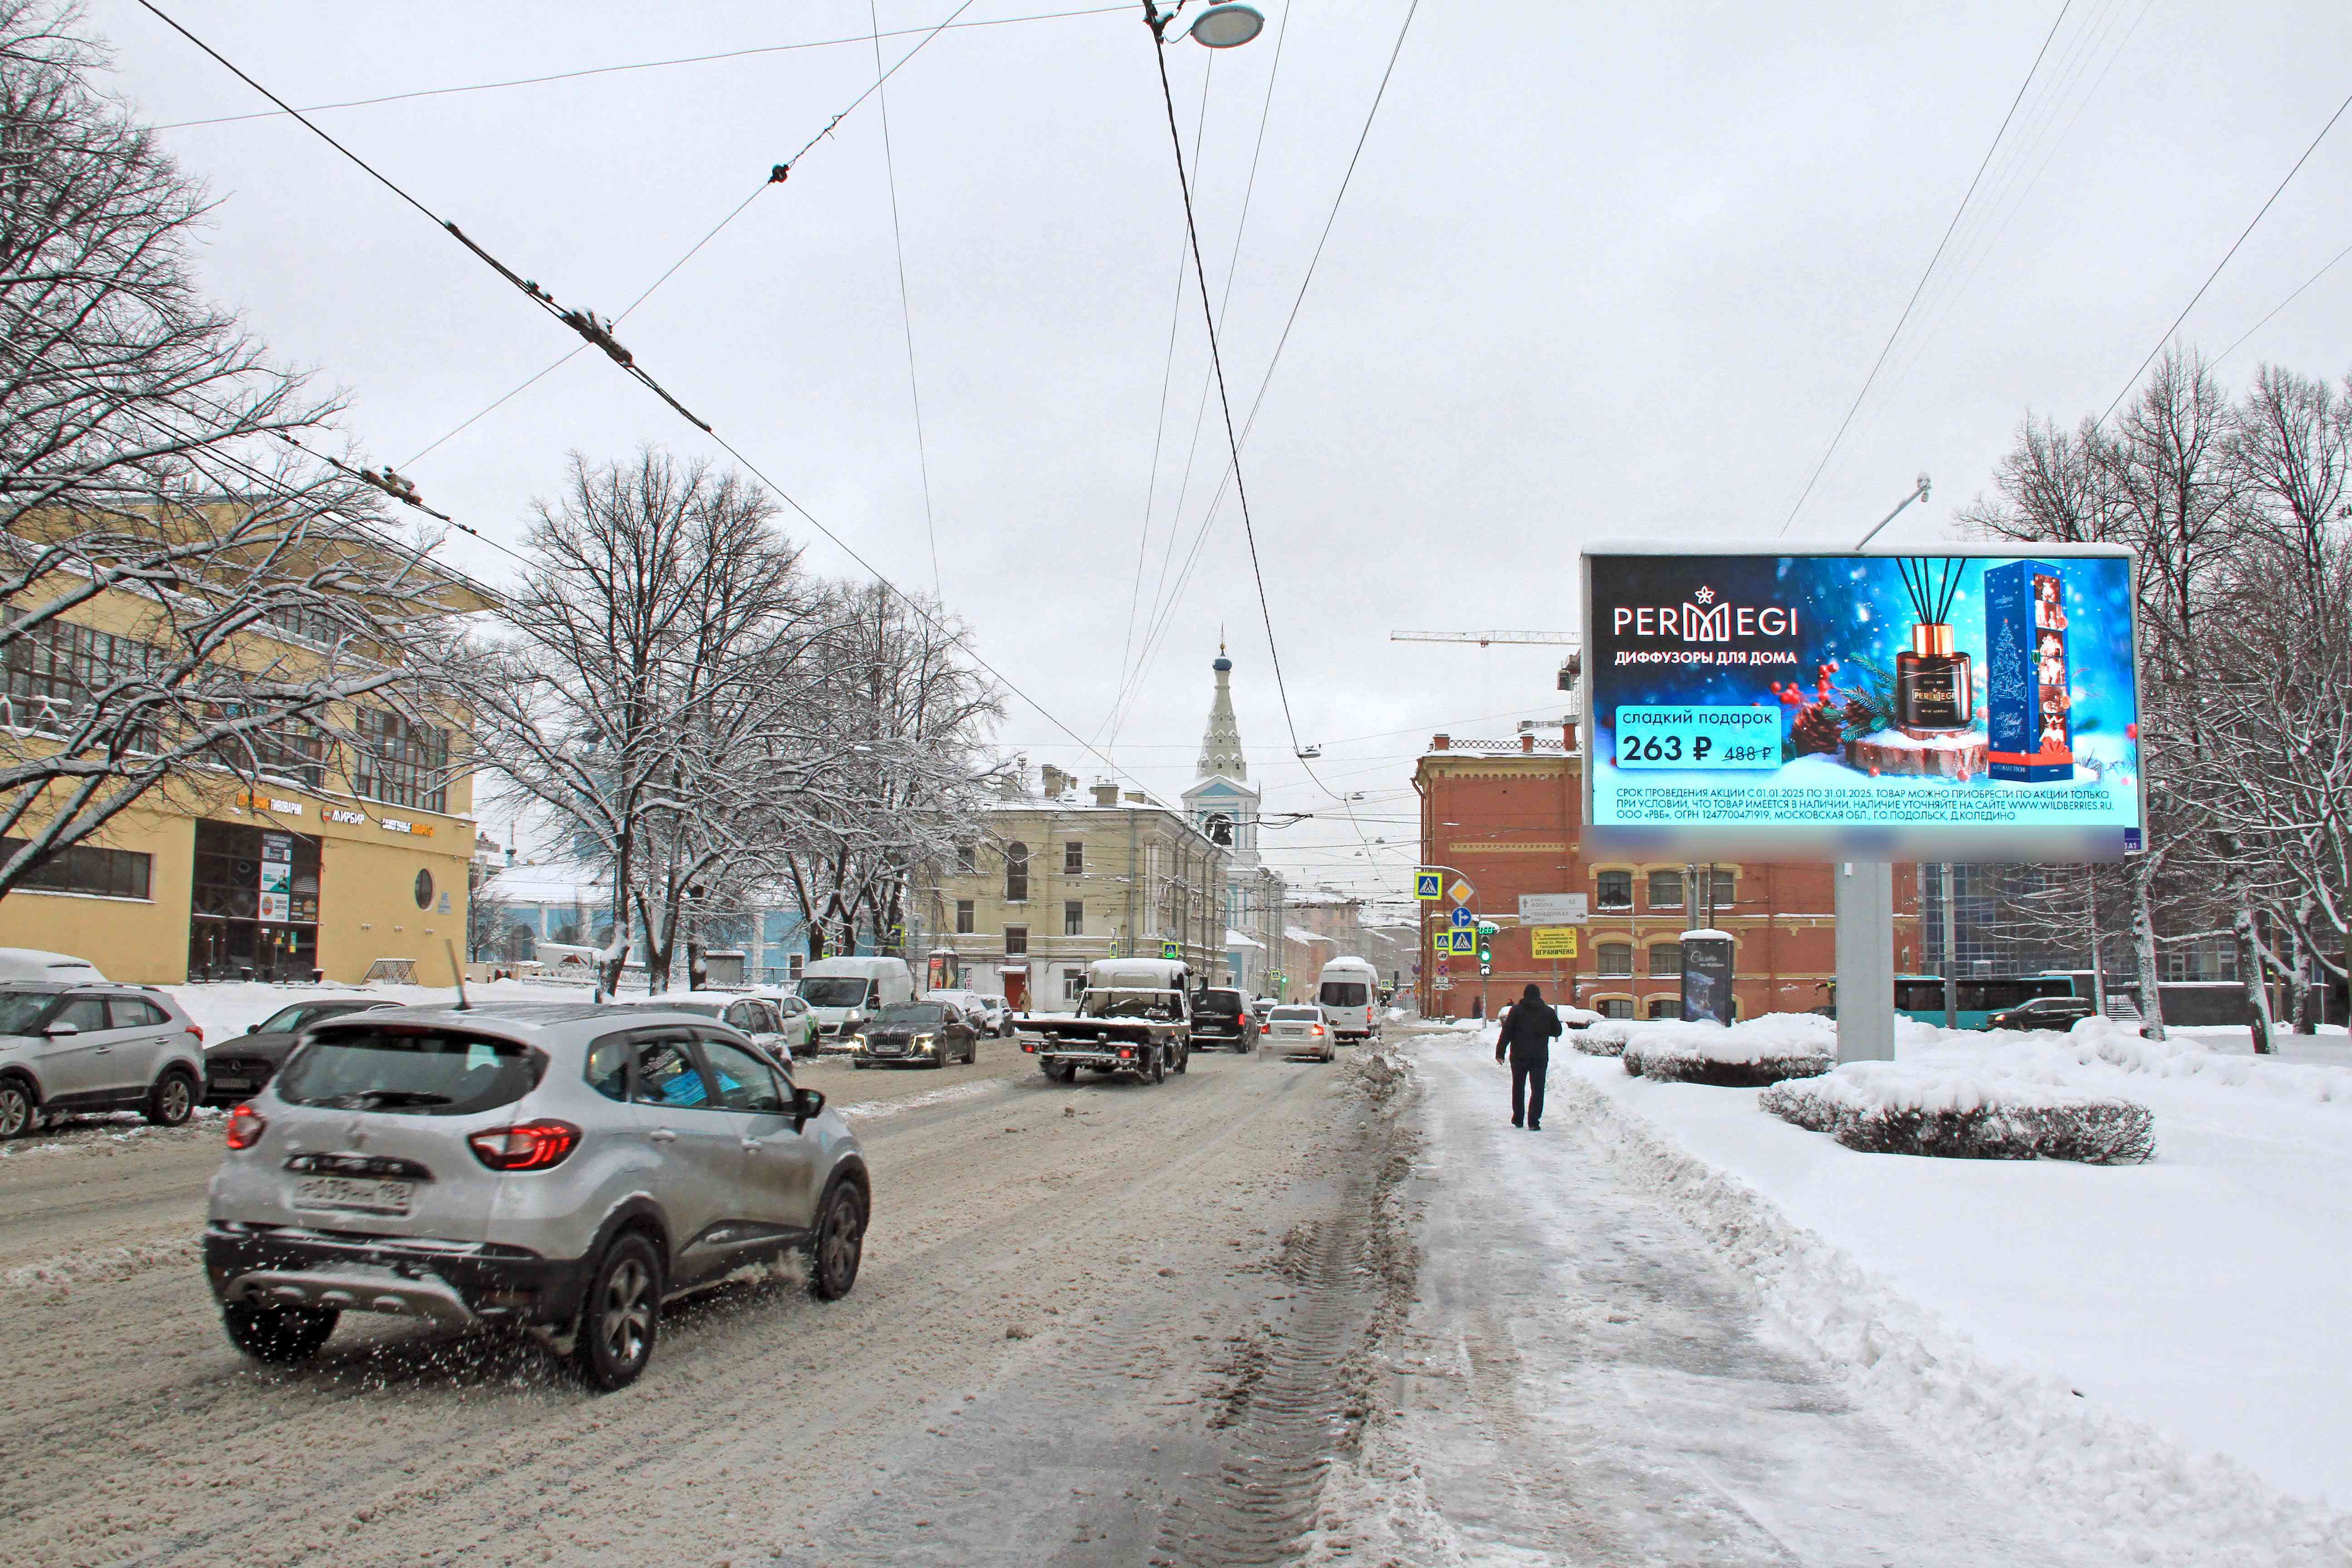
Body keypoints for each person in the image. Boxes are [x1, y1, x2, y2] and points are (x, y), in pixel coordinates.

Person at [1494, 982, 1562, 1131]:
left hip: (1519, 1056)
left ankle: (1518, 1119)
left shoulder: (1516, 1011)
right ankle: (1534, 1122)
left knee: (1518, 1087)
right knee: (1538, 1089)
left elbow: (1507, 1032)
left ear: (1525, 995)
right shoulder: (1548, 1012)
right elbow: (1558, 1032)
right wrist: (1544, 1031)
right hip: (1539, 1056)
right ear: (1539, 995)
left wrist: (1500, 1052)